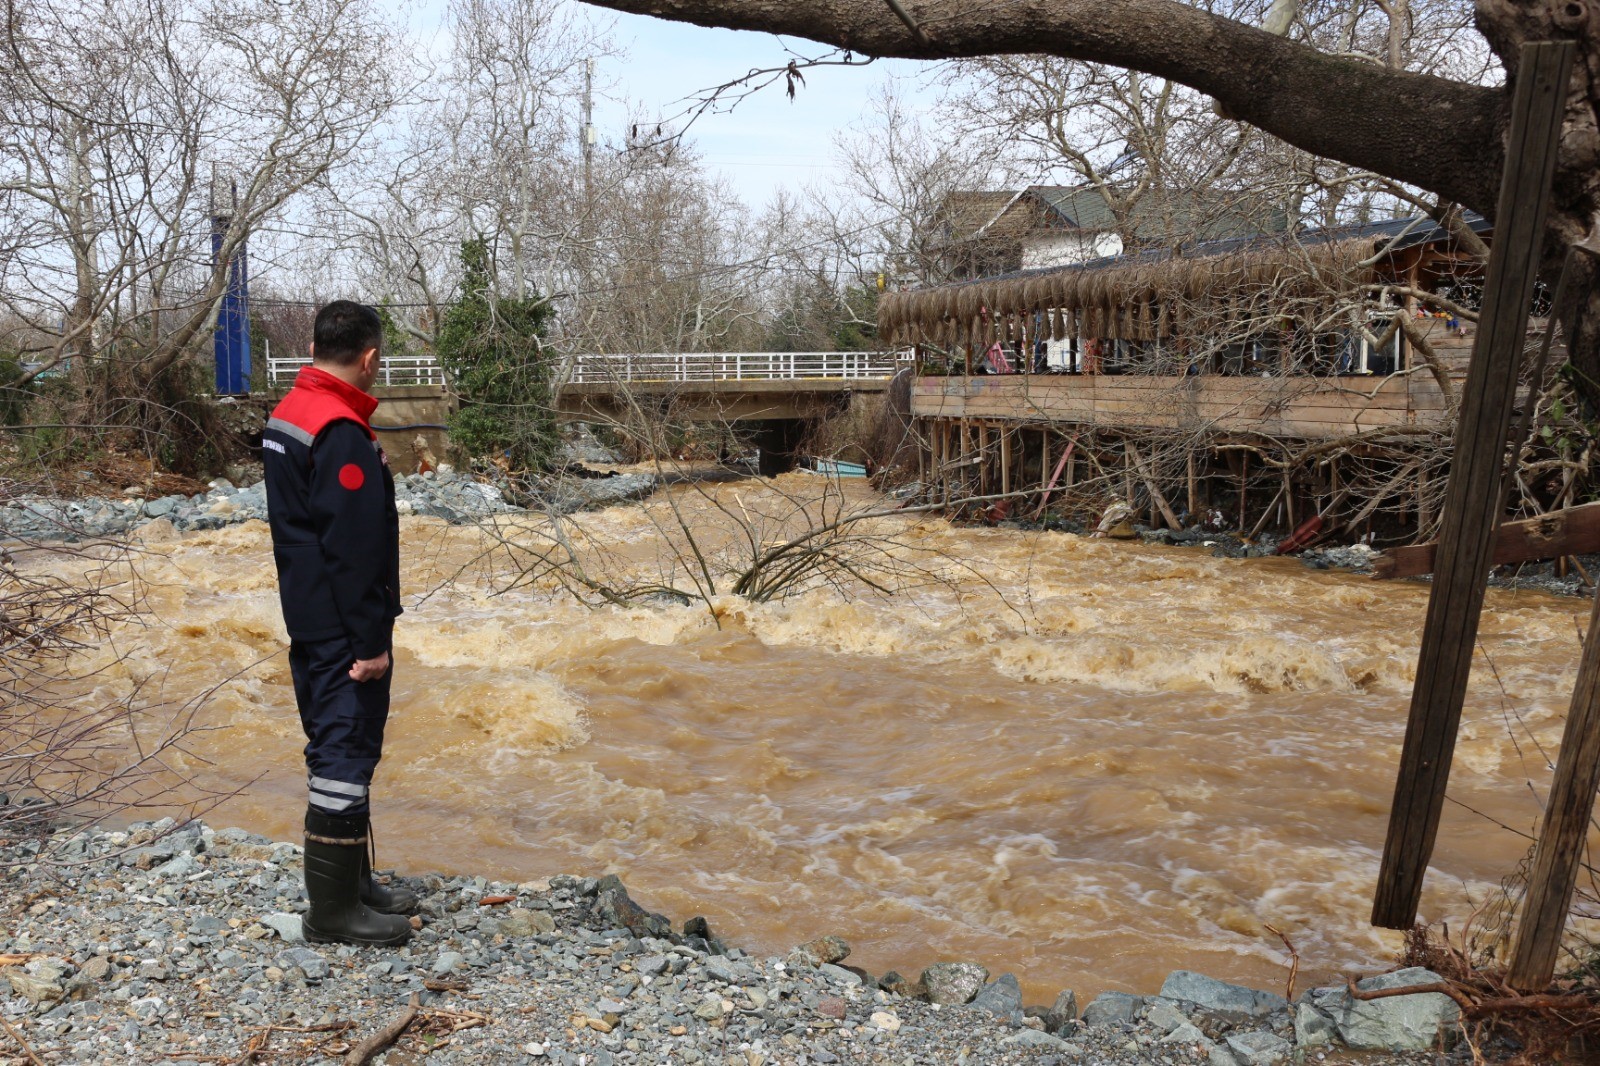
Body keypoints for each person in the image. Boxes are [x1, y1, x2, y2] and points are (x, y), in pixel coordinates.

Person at [261, 300, 414, 947]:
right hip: (340, 630)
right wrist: (372, 643)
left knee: (339, 747)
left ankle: (353, 886)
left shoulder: (290, 413)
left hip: (309, 614)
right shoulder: (339, 429)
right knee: (344, 753)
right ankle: (332, 914)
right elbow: (353, 550)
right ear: (369, 356)